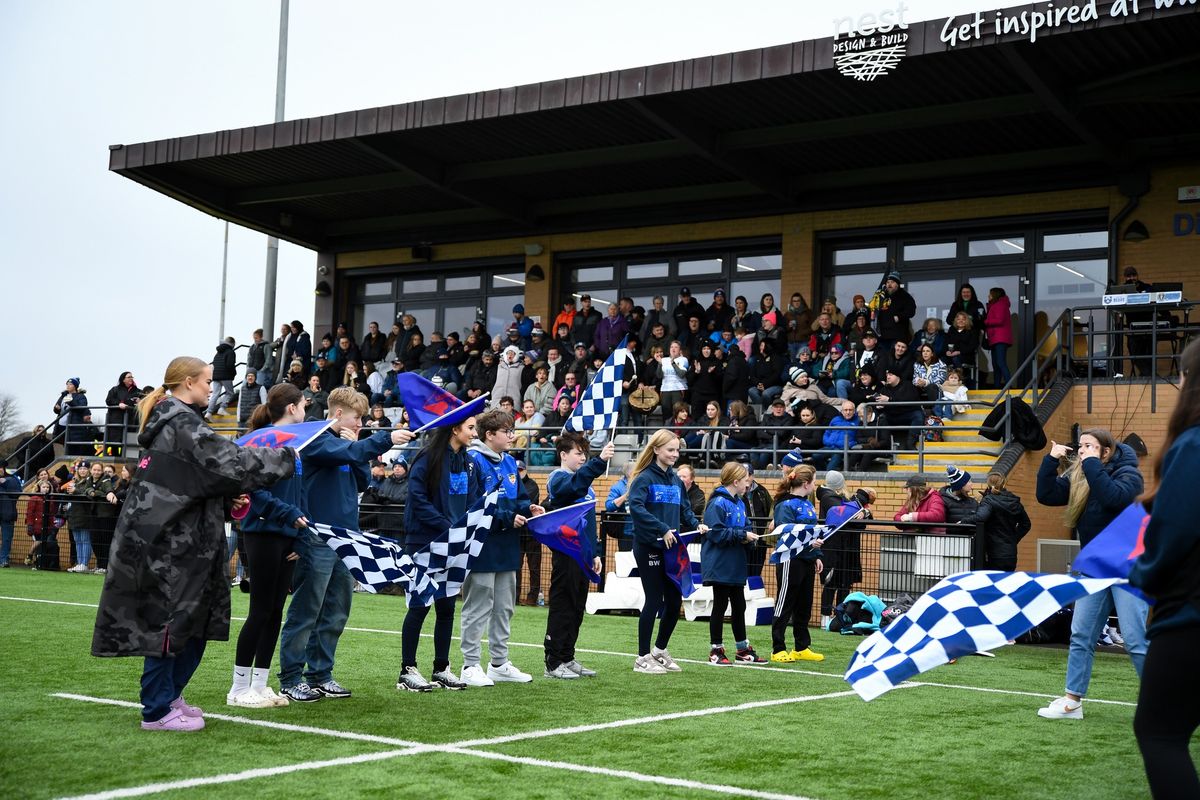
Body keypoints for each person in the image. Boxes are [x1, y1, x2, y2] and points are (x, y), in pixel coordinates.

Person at [91, 356, 296, 732]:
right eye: (206, 383)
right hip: (170, 544)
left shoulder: (180, 421)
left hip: (186, 541)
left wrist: (223, 499)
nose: (211, 389)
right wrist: (286, 454)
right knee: (170, 625)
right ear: (187, 383)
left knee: (194, 623)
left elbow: (194, 481)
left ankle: (169, 697)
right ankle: (155, 711)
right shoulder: (180, 422)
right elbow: (230, 462)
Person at [279, 387, 416, 703]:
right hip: (318, 537)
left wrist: (357, 449)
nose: (360, 424)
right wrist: (382, 440)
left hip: (347, 538)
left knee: (337, 610)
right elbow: (348, 454)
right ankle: (290, 678)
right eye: (357, 418)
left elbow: (361, 481)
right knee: (307, 610)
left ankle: (320, 674)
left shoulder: (345, 444)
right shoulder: (315, 438)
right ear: (338, 414)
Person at [1129, 339, 1200, 798]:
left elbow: (1172, 537)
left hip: (1190, 620)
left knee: (1159, 733)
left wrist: (1140, 571)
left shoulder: (1192, 447)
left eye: (1180, 375)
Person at [1035, 429, 1147, 720]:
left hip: (1127, 569)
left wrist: (1092, 464)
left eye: (1089, 446)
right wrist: (1050, 460)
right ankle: (1073, 701)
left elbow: (1112, 498)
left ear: (1106, 451)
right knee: (1081, 634)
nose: (1081, 450)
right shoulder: (1082, 476)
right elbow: (1046, 495)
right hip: (1093, 569)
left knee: (1134, 639)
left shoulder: (1130, 475)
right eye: (1081, 445)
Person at [227, 384, 311, 709]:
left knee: (276, 611)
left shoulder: (298, 446)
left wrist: (300, 537)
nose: (306, 410)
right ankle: (238, 687)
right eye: (303, 404)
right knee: (259, 610)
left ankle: (260, 685)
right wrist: (288, 515)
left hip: (287, 537)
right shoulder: (260, 443)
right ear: (291, 408)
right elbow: (254, 492)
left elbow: (301, 495)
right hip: (261, 534)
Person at [397, 416, 481, 692]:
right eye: (470, 427)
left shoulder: (468, 462)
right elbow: (417, 500)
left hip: (454, 543)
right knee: (419, 605)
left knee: (446, 608)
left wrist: (465, 528)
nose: (474, 432)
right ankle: (407, 670)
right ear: (454, 429)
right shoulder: (427, 457)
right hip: (424, 542)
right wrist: (448, 527)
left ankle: (441, 668)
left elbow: (472, 500)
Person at [461, 409, 543, 687]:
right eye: (507, 432)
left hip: (508, 546)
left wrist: (528, 508)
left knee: (505, 607)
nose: (512, 436)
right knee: (478, 606)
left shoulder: (509, 462)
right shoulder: (472, 460)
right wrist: (508, 517)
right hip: (482, 547)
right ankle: (470, 665)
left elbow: (519, 497)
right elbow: (473, 505)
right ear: (489, 435)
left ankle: (498, 663)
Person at [627, 430, 706, 674]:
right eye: (670, 450)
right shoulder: (644, 478)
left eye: (677, 450)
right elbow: (636, 507)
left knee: (674, 601)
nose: (675, 454)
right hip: (649, 546)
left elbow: (684, 509)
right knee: (654, 599)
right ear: (657, 450)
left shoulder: (675, 480)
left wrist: (696, 524)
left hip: (672, 548)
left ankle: (659, 650)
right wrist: (661, 528)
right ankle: (642, 657)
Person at [541, 432, 614, 679]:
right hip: (566, 552)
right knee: (563, 604)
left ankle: (567, 656)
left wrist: (594, 552)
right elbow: (572, 487)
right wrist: (598, 462)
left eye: (585, 453)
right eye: (578, 453)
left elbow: (589, 523)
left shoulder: (585, 484)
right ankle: (553, 661)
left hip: (583, 553)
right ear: (563, 455)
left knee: (577, 606)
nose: (583, 457)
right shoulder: (558, 479)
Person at [702, 462, 768, 665]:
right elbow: (716, 533)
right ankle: (716, 650)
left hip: (736, 562)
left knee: (739, 606)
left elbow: (745, 526)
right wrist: (742, 535)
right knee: (720, 605)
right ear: (735, 481)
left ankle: (742, 649)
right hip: (720, 562)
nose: (749, 484)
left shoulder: (740, 502)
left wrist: (750, 538)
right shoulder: (718, 503)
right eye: (746, 480)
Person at [768, 465, 825, 663]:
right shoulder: (785, 505)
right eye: (814, 481)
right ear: (805, 483)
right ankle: (778, 648)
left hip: (807, 559)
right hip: (790, 559)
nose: (816, 485)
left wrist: (816, 554)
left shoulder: (808, 503)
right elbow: (787, 533)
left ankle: (801, 646)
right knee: (785, 603)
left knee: (804, 604)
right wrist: (811, 542)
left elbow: (812, 530)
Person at [820, 486, 872, 630]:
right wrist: (863, 511)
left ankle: (838, 617)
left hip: (846, 551)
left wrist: (865, 512)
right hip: (836, 550)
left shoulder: (853, 505)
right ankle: (827, 617)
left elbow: (867, 518)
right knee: (833, 585)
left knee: (841, 585)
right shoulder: (834, 501)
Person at [964, 472, 1030, 571]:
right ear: (1004, 484)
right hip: (1010, 553)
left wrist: (963, 521)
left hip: (993, 552)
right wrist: (1013, 539)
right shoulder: (1014, 501)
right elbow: (1026, 524)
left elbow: (981, 517)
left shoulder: (989, 500)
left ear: (989, 484)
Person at [874, 271, 916, 351]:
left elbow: (911, 311)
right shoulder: (881, 296)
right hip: (882, 336)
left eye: (892, 282)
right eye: (888, 282)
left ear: (897, 284)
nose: (889, 284)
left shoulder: (905, 297)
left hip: (897, 336)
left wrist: (899, 317)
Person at [104, 371, 141, 456]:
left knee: (130, 442)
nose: (131, 378)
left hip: (131, 420)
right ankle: (115, 458)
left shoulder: (138, 391)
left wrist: (140, 401)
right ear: (123, 379)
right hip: (116, 420)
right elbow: (108, 400)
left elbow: (145, 400)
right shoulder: (115, 389)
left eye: (132, 377)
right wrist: (118, 403)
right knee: (115, 442)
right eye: (129, 377)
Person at [983, 287, 1014, 388]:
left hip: (1000, 338)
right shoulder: (997, 305)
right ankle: (997, 387)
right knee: (996, 364)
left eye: (990, 294)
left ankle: (1009, 385)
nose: (988, 296)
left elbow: (999, 320)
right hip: (996, 338)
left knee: (1000, 362)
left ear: (995, 295)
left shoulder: (1000, 305)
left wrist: (985, 321)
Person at [605, 461, 636, 552]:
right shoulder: (618, 487)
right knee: (627, 563)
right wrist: (626, 496)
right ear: (631, 473)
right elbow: (609, 506)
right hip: (627, 532)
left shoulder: (642, 484)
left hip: (643, 532)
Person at [657, 341, 690, 421]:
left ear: (680, 350)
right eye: (672, 347)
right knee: (666, 412)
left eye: (676, 347)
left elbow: (682, 374)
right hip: (665, 389)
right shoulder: (664, 360)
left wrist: (673, 364)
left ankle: (678, 431)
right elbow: (659, 376)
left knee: (677, 412)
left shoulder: (683, 359)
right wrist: (660, 364)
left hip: (678, 389)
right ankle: (666, 431)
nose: (673, 349)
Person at [938, 466, 979, 530]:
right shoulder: (942, 501)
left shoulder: (973, 502)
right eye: (969, 481)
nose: (972, 484)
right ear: (961, 485)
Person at [206, 337, 238, 418]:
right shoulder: (231, 352)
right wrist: (234, 373)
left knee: (215, 394)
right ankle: (222, 408)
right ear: (232, 344)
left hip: (216, 376)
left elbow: (214, 364)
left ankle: (208, 413)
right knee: (230, 393)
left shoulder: (218, 352)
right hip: (226, 376)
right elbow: (230, 365)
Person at [0, 463, 20, 568]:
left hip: (7, 513)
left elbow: (17, 493)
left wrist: (5, 483)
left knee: (6, 538)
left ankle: (3, 559)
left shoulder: (12, 479)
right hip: (8, 513)